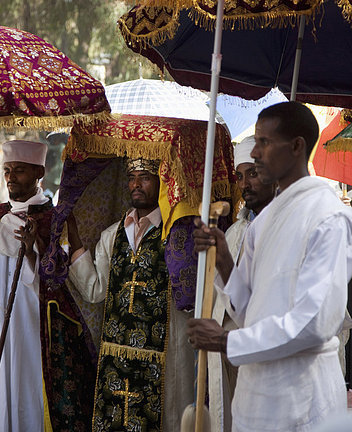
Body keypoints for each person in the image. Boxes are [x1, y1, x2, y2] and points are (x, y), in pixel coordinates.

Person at [188, 102, 352, 432]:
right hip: (256, 398)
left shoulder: (327, 216)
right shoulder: (262, 223)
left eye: (264, 142)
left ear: (296, 146)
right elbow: (251, 312)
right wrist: (222, 259)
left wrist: (226, 342)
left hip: (302, 400)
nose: (257, 152)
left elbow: (315, 322)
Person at [0, 140, 97, 432]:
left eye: (18, 171)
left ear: (39, 172)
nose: (10, 177)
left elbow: (57, 279)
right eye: (7, 170)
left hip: (33, 326)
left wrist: (35, 250)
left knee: (27, 389)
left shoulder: (56, 220)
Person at [67, 156, 196, 432]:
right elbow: (94, 289)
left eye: (145, 178)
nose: (136, 185)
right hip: (117, 355)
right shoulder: (113, 234)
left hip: (164, 352)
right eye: (132, 178)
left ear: (161, 182)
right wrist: (74, 236)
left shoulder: (177, 234)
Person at [209, 135, 276, 432]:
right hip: (230, 355)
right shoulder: (235, 231)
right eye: (239, 176)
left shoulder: (287, 226)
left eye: (253, 173)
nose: (244, 184)